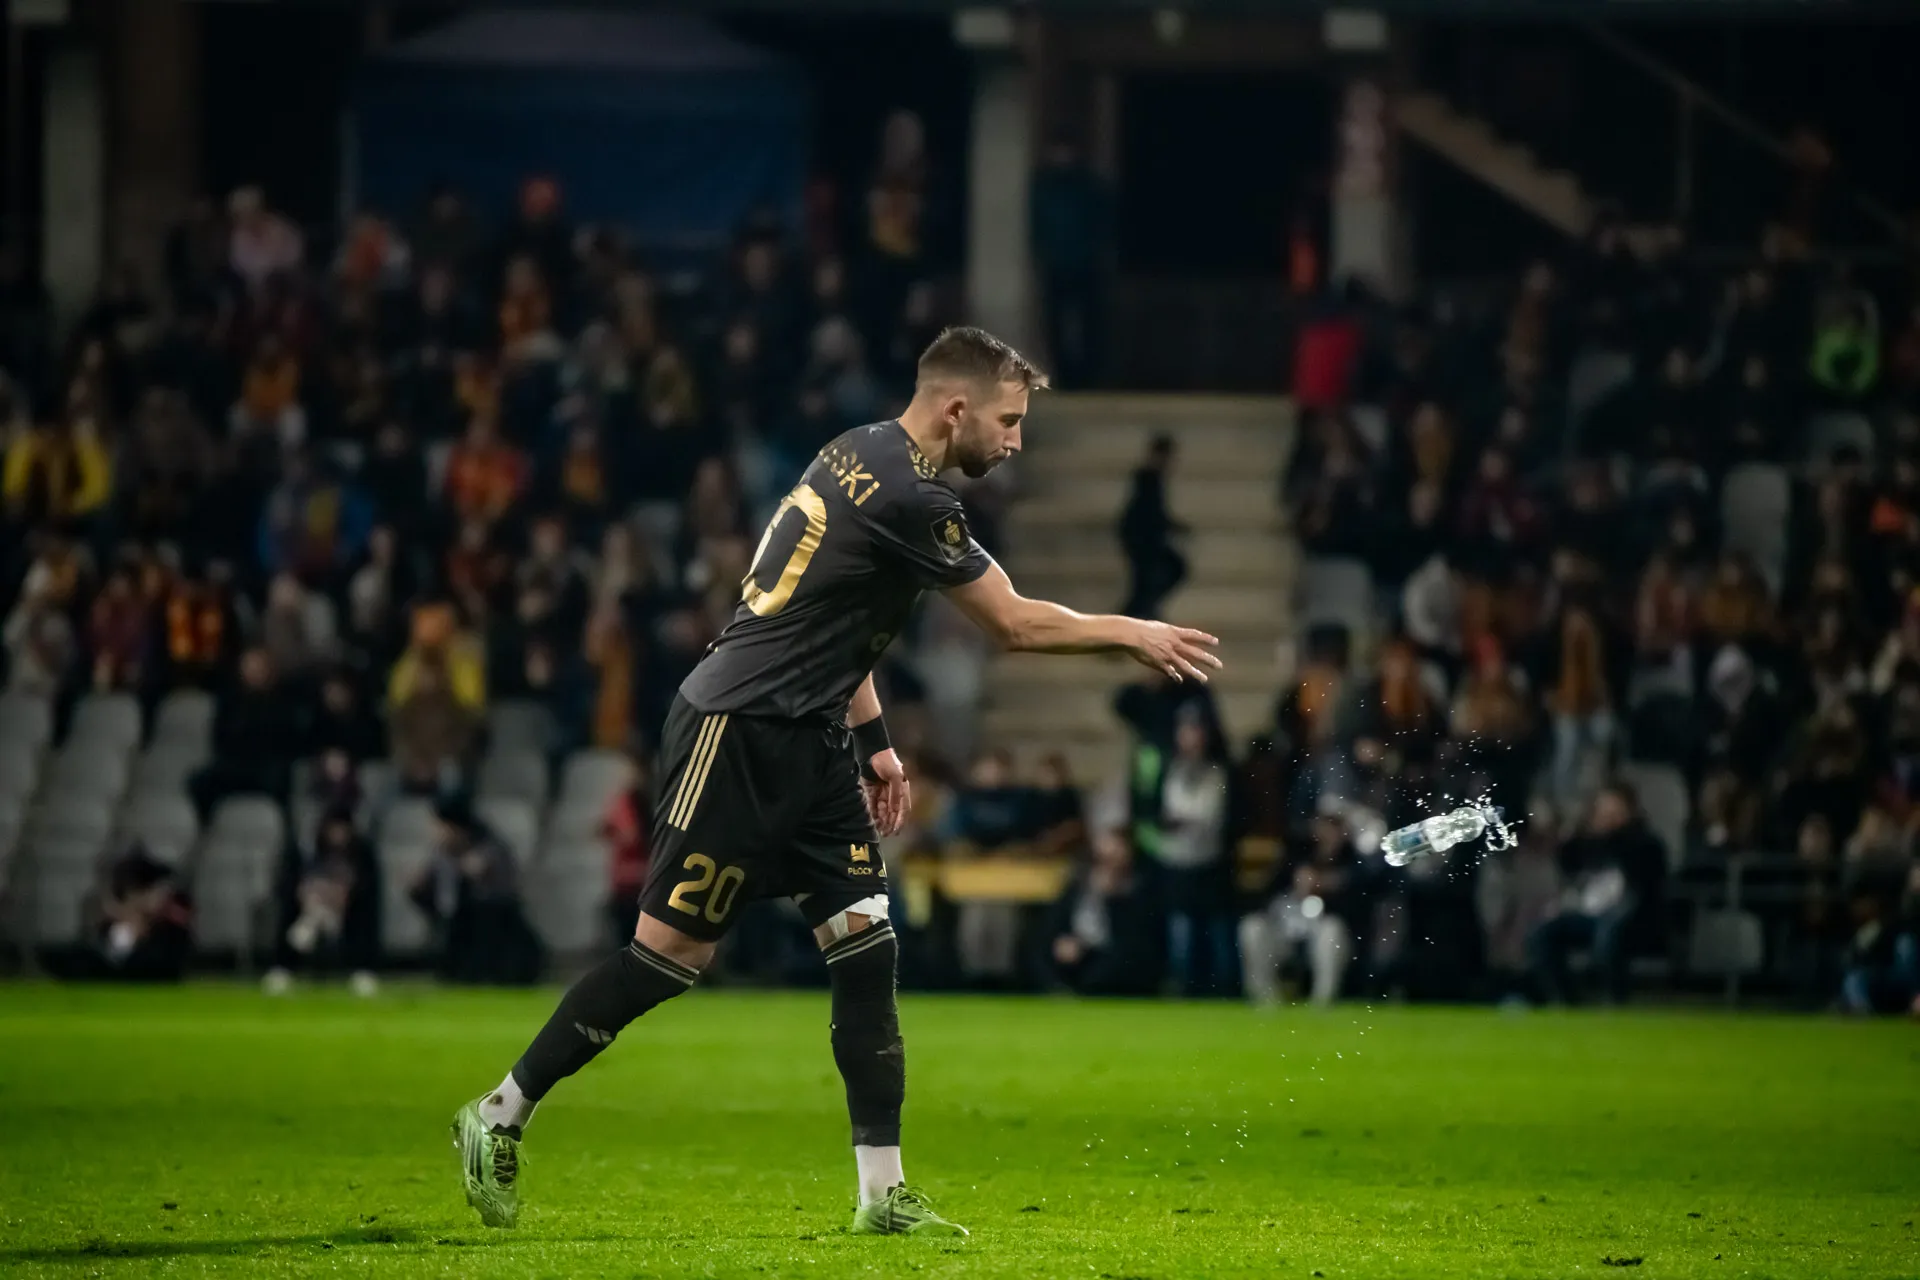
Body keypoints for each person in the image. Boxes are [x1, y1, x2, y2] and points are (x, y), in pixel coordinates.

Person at [451, 326, 1221, 1237]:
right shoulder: (915, 499)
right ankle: (499, 1112)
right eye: (1009, 421)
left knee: (866, 943)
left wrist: (877, 744)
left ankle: (881, 1194)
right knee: (668, 959)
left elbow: (836, 616)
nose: (1016, 441)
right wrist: (1133, 632)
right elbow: (1013, 625)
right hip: (738, 730)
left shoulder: (858, 449)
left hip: (813, 739)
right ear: (957, 409)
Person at [1527, 784, 1668, 1005]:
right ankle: (1564, 1000)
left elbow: (1647, 883)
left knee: (1608, 934)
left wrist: (1618, 834)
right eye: (1603, 810)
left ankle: (1615, 1000)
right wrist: (1573, 833)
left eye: (1615, 810)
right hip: (1588, 915)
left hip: (1632, 919)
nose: (1608, 816)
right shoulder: (1586, 843)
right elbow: (1567, 864)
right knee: (1542, 933)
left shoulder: (1646, 843)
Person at [409, 792, 543, 986]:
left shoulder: (491, 848)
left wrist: (474, 876)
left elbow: (502, 897)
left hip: (494, 933)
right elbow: (438, 904)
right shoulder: (441, 856)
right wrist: (419, 889)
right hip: (458, 934)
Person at [1117, 435, 1188, 620]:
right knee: (1146, 581)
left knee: (1154, 578)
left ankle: (1140, 611)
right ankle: (1135, 613)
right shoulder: (1146, 477)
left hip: (1148, 539)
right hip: (1141, 539)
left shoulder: (1153, 478)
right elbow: (1146, 511)